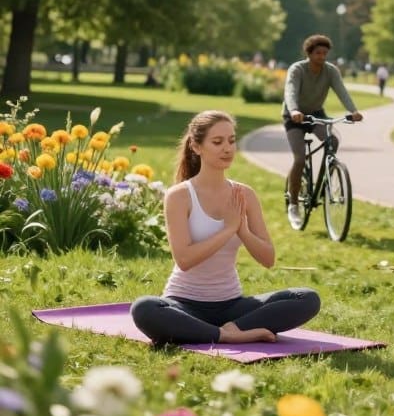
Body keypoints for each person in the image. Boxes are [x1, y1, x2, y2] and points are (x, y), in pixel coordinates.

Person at [131, 111, 321, 345]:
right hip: (184, 304)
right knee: (144, 308)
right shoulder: (179, 196)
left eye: (231, 141)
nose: (227, 148)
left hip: (233, 306)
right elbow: (184, 259)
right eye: (217, 142)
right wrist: (228, 229)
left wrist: (241, 230)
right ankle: (226, 336)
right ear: (196, 146)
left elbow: (268, 258)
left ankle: (230, 329)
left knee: (307, 298)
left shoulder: (245, 194)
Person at [282, 35, 363, 228]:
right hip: (294, 116)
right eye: (318, 53)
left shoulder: (330, 71)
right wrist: (293, 110)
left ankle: (325, 177)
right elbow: (290, 90)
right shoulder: (297, 69)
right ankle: (293, 204)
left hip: (316, 114)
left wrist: (353, 111)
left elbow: (341, 91)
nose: (322, 56)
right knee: (300, 158)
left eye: (325, 53)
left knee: (332, 141)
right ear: (309, 53)